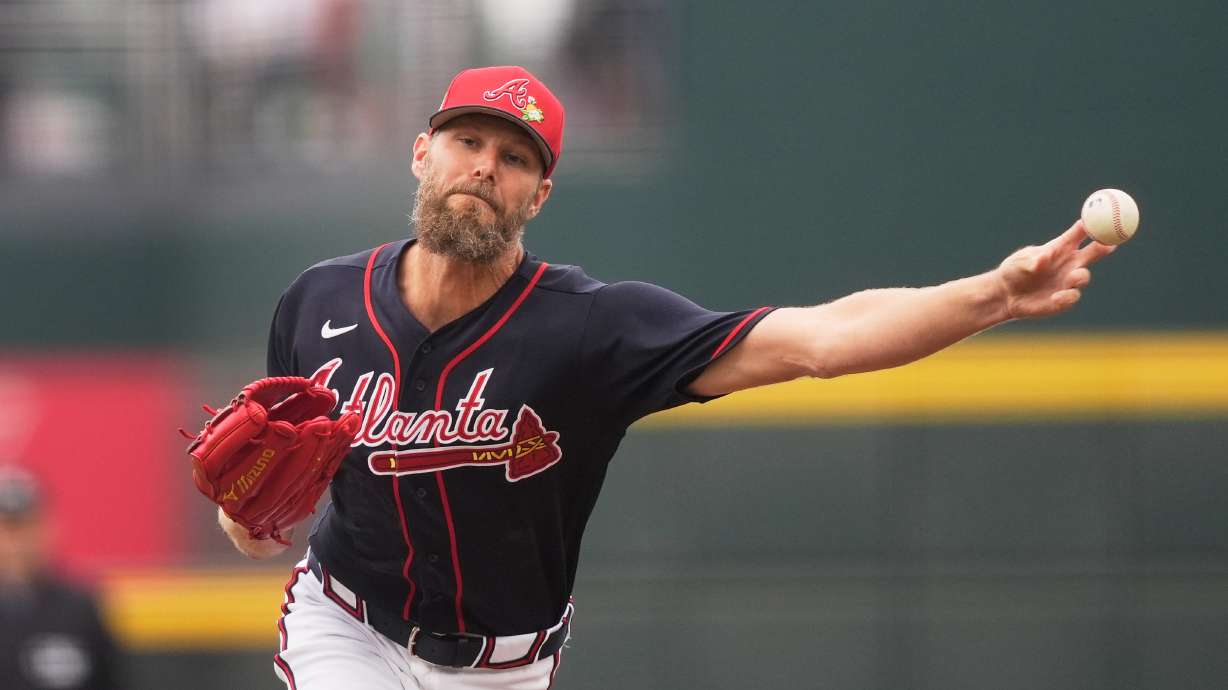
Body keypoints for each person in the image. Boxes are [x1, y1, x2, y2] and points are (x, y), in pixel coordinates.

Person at [213, 65, 1115, 689]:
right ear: (424, 153)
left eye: (515, 157)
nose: (485, 167)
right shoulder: (317, 302)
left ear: (540, 196)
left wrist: (994, 295)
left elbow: (821, 340)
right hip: (347, 626)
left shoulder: (591, 327)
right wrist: (249, 520)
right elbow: (263, 513)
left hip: (505, 662)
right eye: (468, 141)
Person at [0, 466, 120, 690]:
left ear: (48, 528)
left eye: (26, 526)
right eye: (7, 528)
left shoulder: (79, 610)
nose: (15, 543)